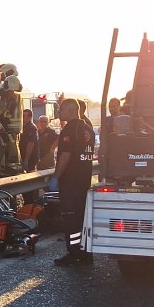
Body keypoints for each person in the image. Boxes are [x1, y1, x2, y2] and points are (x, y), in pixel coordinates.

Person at [53, 98, 98, 267]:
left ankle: (73, 254)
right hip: (84, 181)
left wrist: (56, 177)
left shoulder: (69, 129)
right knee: (83, 219)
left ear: (71, 110)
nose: (59, 112)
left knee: (71, 221)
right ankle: (86, 254)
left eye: (62, 109)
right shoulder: (88, 128)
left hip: (70, 182)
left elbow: (65, 156)